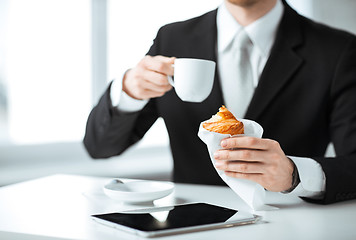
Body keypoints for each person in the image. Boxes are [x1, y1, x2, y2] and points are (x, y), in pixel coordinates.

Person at [84, 0, 356, 204]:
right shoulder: (172, 39)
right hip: (190, 225)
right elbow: (100, 147)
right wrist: (128, 92)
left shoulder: (337, 50)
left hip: (292, 225)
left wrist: (295, 175)